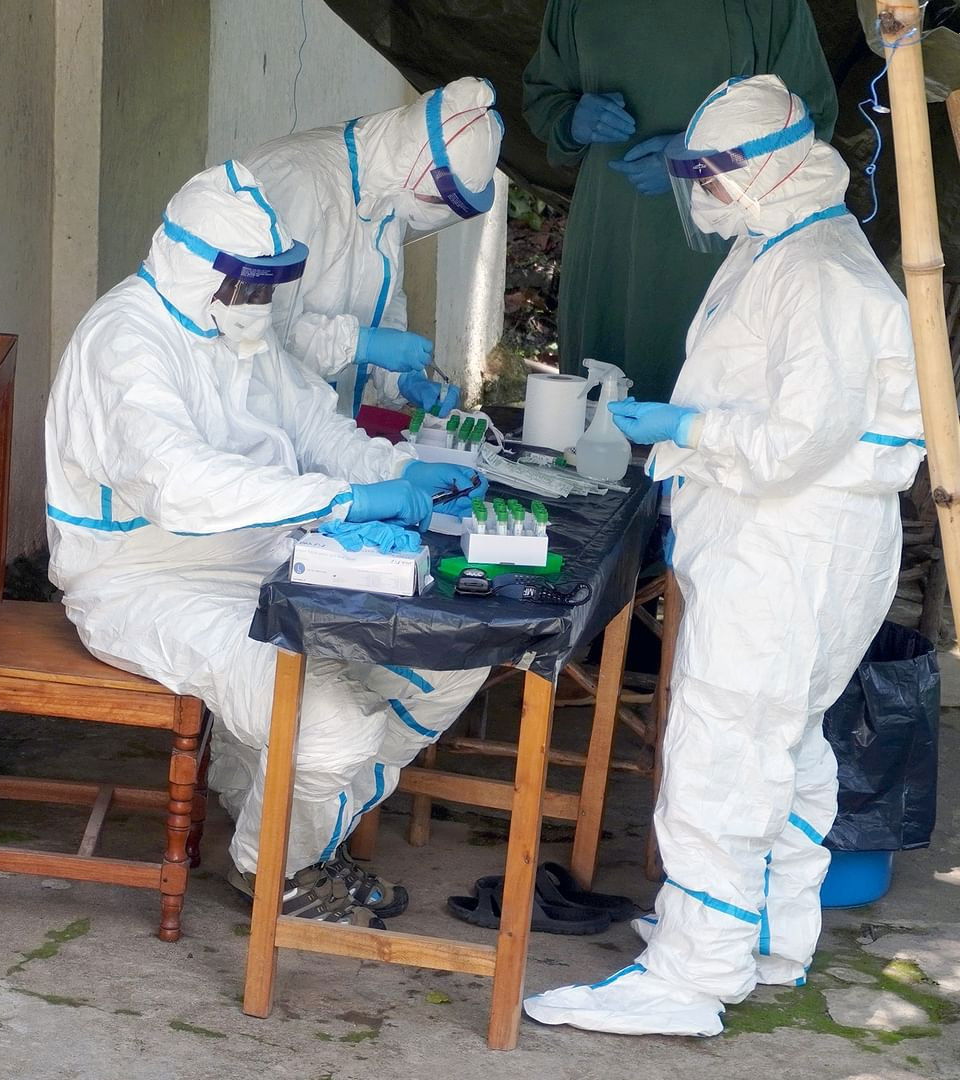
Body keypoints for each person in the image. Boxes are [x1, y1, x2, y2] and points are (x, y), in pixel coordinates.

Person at [523, 75, 923, 1037]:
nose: (701, 192)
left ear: (771, 166)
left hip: (787, 545)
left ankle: (692, 975)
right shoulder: (784, 243)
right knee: (785, 743)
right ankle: (765, 938)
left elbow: (794, 443)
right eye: (693, 174)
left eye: (712, 173)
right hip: (799, 543)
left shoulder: (817, 272)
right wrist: (687, 439)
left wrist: (684, 428)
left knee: (724, 750)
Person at [44, 161, 490, 924]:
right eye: (246, 286)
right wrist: (344, 500)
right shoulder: (127, 342)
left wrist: (398, 471)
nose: (258, 303)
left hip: (262, 557)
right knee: (331, 730)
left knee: (447, 664)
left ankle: (308, 833)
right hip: (143, 580)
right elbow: (180, 483)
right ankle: (272, 867)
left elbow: (311, 424)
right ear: (194, 267)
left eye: (267, 286)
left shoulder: (231, 324)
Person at [523, 0, 836, 402]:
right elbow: (544, 95)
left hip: (711, 235)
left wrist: (695, 164)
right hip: (608, 228)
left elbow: (807, 120)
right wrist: (572, 121)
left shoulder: (769, 6)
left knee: (693, 386)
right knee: (598, 388)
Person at [243, 77, 505, 419]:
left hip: (320, 424)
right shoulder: (297, 183)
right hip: (257, 421)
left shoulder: (388, 194)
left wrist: (402, 377)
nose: (437, 213)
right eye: (438, 202)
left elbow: (383, 297)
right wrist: (361, 344)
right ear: (419, 170)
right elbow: (258, 331)